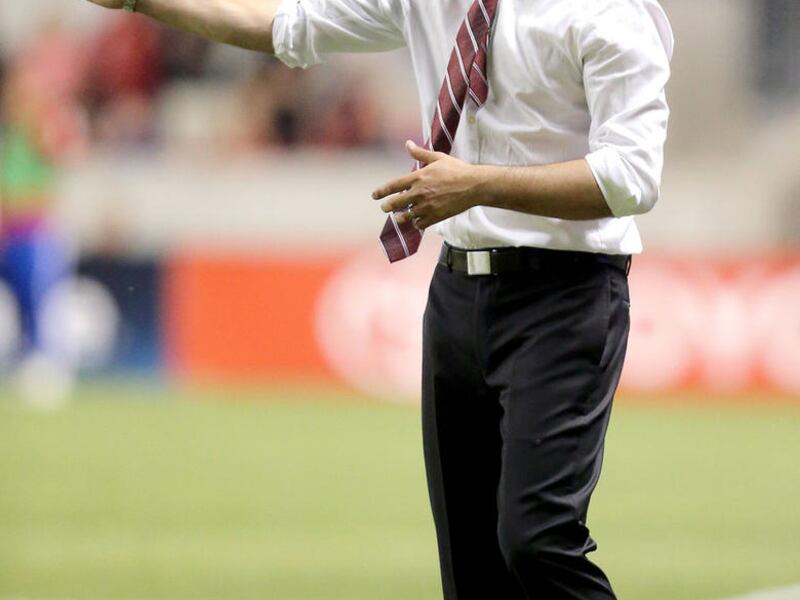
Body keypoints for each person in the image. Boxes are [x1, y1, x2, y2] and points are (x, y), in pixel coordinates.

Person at [82, 0, 673, 597]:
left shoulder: (606, 13)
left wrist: (479, 184)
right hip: (457, 290)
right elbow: (285, 26)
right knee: (470, 564)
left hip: (565, 294)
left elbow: (632, 177)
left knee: (538, 539)